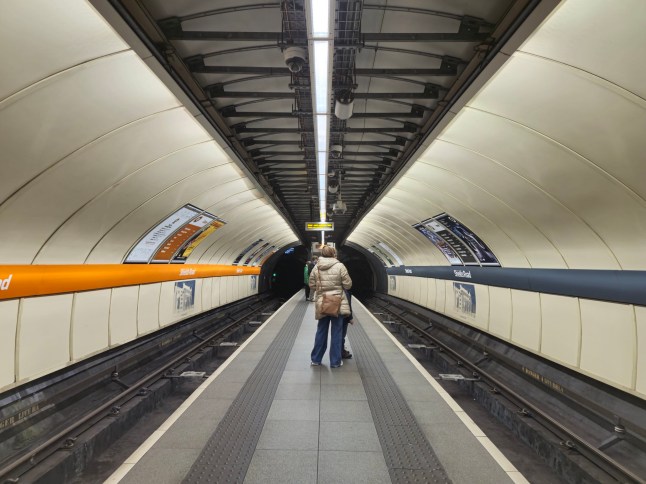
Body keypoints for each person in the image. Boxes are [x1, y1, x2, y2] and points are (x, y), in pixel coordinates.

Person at [309, 246, 352, 368]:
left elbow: (311, 285)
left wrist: (321, 289)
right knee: (337, 332)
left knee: (321, 331)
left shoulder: (316, 267)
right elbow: (348, 285)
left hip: (322, 302)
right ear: (334, 254)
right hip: (337, 302)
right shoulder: (340, 266)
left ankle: (316, 359)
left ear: (322, 254)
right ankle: (335, 362)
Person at [342, 289, 353, 359]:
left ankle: (341, 350)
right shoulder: (345, 290)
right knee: (341, 334)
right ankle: (341, 352)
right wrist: (350, 317)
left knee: (339, 334)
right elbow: (347, 303)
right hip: (343, 313)